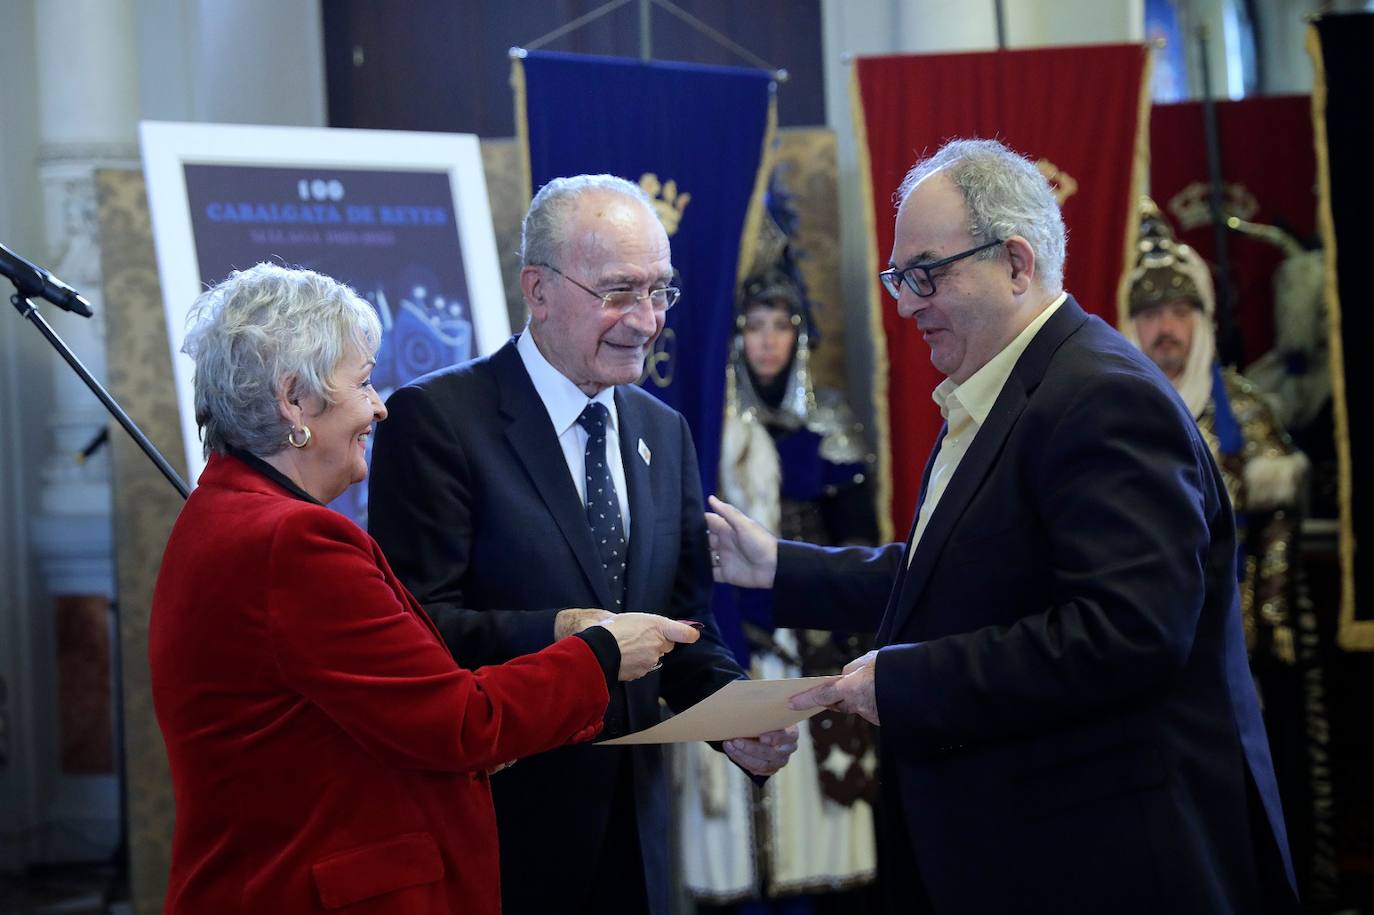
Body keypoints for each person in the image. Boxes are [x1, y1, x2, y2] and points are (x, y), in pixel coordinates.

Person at [707, 138, 1299, 914]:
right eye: (897, 276)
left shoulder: (1098, 397)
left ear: (1017, 264)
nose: (905, 301)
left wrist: (907, 679)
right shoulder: (1012, 385)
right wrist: (780, 567)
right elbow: (955, 573)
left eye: (927, 272)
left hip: (1114, 857)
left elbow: (1126, 634)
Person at [149, 263, 700, 914]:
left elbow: (362, 715)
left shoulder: (222, 512)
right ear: (294, 401)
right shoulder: (292, 545)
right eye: (362, 382)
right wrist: (602, 653)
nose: (379, 406)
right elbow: (459, 722)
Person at [368, 174, 798, 915]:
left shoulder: (664, 430)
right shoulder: (436, 421)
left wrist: (740, 719)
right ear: (537, 289)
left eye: (661, 291)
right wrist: (571, 634)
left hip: (639, 843)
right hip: (501, 837)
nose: (647, 319)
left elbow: (682, 628)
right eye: (620, 291)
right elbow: (418, 634)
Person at [676, 191, 881, 912]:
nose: (767, 340)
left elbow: (860, 541)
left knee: (813, 843)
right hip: (727, 634)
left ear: (800, 331)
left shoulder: (829, 424)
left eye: (780, 325)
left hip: (812, 639)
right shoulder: (703, 425)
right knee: (731, 847)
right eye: (753, 326)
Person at [1126, 201, 1331, 897]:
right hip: (1143, 667)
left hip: (1242, 664)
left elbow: (1277, 532)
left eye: (1180, 311)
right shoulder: (1115, 414)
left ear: (1204, 320)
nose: (1165, 328)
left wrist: (1258, 636)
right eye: (1151, 315)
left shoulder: (1245, 412)